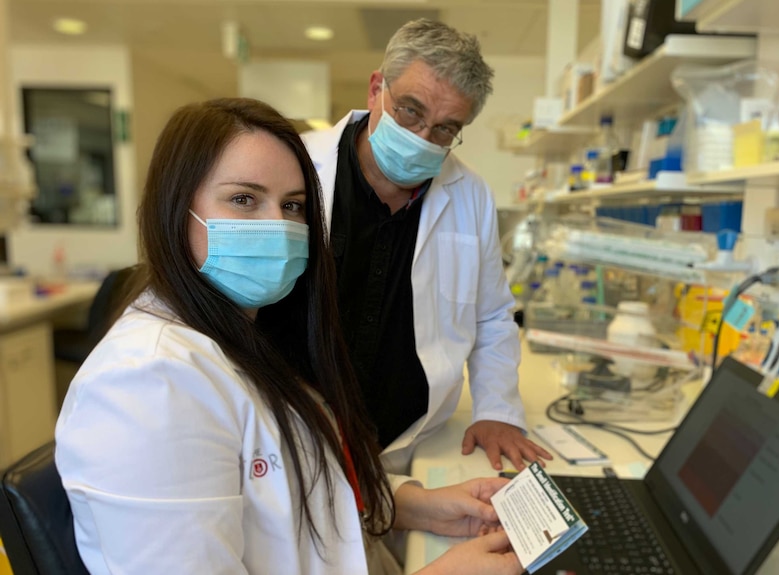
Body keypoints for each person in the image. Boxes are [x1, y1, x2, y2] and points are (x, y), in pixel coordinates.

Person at [54, 98, 523, 575]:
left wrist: (413, 504)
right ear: (176, 207)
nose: (276, 225)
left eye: (293, 205)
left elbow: (293, 490)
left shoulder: (249, 334)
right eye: (243, 199)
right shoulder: (147, 384)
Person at [258, 18, 553, 475]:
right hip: (290, 435)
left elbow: (492, 315)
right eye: (410, 111)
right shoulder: (297, 167)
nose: (422, 138)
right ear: (377, 88)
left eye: (444, 129)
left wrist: (498, 410)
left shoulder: (469, 193)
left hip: (407, 445)